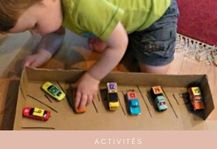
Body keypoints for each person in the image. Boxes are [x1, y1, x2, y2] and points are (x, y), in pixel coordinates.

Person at [0, 0, 179, 110]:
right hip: (119, 11)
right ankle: (113, 29)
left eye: (34, 25)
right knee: (107, 36)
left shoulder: (84, 7)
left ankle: (117, 30)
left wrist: (93, 77)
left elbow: (120, 45)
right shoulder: (50, 7)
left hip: (156, 14)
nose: (34, 34)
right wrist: (42, 52)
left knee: (153, 73)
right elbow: (55, 32)